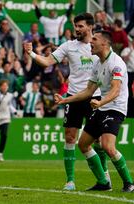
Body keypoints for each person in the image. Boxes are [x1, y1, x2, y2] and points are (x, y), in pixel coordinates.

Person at [24, 13, 109, 191]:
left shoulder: (99, 45)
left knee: (99, 141)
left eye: (80, 26)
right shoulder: (68, 46)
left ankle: (104, 174)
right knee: (70, 137)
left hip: (95, 97)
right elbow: (47, 61)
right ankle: (70, 181)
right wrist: (31, 53)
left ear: (90, 27)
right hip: (73, 97)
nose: (76, 29)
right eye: (75, 26)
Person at [55, 30, 134, 192]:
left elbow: (116, 90)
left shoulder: (116, 62)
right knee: (83, 144)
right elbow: (88, 91)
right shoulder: (97, 63)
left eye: (95, 39)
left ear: (104, 43)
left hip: (115, 108)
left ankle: (129, 182)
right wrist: (65, 99)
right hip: (102, 107)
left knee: (107, 146)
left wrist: (101, 102)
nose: (90, 42)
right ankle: (103, 182)